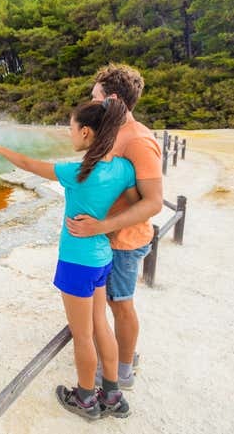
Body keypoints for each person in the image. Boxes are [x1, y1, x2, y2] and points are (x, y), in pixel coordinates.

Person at [0, 98, 136, 421]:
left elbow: (29, 165)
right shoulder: (123, 169)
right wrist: (107, 224)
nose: (69, 134)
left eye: (71, 128)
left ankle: (85, 398)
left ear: (86, 132)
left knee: (82, 335)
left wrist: (2, 150)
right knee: (100, 325)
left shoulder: (78, 173)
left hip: (77, 261)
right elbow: (134, 202)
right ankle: (112, 394)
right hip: (102, 257)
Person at [65, 63, 163, 390]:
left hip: (125, 240)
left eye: (95, 97)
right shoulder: (113, 132)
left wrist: (102, 225)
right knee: (109, 303)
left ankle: (123, 370)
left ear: (113, 99)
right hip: (107, 239)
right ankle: (122, 356)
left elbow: (153, 202)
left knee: (120, 304)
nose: (91, 102)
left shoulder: (137, 140)